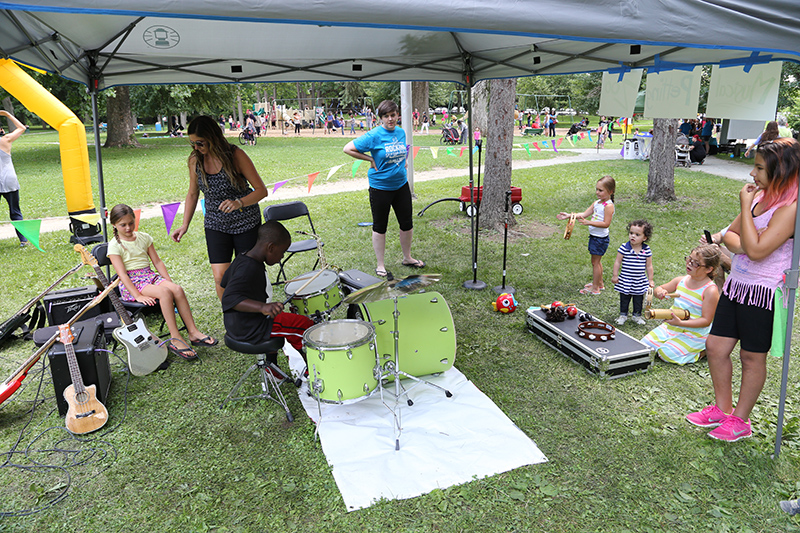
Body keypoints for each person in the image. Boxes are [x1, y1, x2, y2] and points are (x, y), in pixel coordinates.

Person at [686, 138, 799, 442]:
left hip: (764, 291)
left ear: (782, 169)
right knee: (715, 347)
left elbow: (757, 250)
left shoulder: (790, 207)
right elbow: (728, 237)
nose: (752, 174)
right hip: (737, 285)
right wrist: (746, 239)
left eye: (760, 168)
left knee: (752, 358)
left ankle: (741, 420)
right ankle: (723, 410)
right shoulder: (763, 198)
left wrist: (744, 212)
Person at [172, 115, 268, 300]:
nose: (196, 148)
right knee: (220, 277)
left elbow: (261, 191)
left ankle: (253, 318)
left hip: (245, 223)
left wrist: (238, 203)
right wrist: (185, 225)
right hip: (215, 223)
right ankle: (231, 319)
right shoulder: (195, 160)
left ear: (213, 137)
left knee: (247, 275)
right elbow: (193, 194)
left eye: (200, 143)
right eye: (192, 144)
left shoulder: (236, 155)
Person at [107, 204, 217, 360]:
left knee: (176, 289)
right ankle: (175, 338)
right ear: (114, 225)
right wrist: (137, 295)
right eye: (122, 225)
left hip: (148, 275)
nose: (128, 228)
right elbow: (123, 275)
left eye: (131, 223)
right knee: (164, 293)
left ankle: (193, 332)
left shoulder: (144, 237)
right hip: (132, 283)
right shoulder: (114, 245)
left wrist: (168, 282)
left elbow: (157, 262)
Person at [343, 99, 424, 278]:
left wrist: (404, 162)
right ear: (380, 118)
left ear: (397, 115)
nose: (390, 119)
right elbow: (348, 148)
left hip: (401, 185)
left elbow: (403, 149)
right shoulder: (374, 135)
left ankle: (407, 257)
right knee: (380, 226)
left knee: (407, 224)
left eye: (393, 115)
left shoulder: (401, 132)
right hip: (380, 188)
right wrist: (370, 160)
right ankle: (380, 265)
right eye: (386, 116)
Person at [221, 221, 314, 371]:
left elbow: (225, 282)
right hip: (250, 327)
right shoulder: (248, 267)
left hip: (238, 324)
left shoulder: (243, 257)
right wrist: (262, 307)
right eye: (282, 252)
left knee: (283, 321)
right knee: (304, 326)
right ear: (270, 247)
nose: (281, 257)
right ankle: (317, 373)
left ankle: (273, 370)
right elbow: (229, 298)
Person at [641, 245, 721, 365]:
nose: (689, 264)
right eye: (689, 259)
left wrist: (680, 323)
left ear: (709, 269)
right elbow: (659, 288)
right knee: (644, 346)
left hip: (694, 333)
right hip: (672, 327)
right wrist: (660, 292)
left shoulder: (710, 290)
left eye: (696, 263)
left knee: (666, 354)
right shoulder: (681, 280)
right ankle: (673, 343)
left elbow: (706, 320)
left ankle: (702, 352)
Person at [556, 176, 616, 295]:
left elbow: (606, 224)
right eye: (597, 189)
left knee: (596, 263)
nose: (597, 192)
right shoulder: (597, 203)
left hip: (600, 239)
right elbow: (584, 214)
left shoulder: (608, 206)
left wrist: (588, 222)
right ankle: (600, 284)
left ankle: (595, 289)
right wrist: (569, 215)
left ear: (610, 192)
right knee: (596, 262)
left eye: (600, 190)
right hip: (594, 237)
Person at [611, 220, 654, 325]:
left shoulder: (646, 250)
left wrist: (650, 279)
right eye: (631, 233)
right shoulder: (624, 248)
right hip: (625, 279)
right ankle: (623, 315)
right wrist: (615, 275)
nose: (633, 236)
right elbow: (617, 262)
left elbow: (649, 266)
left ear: (645, 238)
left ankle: (637, 316)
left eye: (637, 234)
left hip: (639, 280)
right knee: (624, 298)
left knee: (638, 299)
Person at [0, 110, 29, 247]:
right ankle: (23, 240)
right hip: (9, 180)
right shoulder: (6, 139)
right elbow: (22, 128)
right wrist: (7, 114)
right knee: (15, 211)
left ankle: (23, 239)